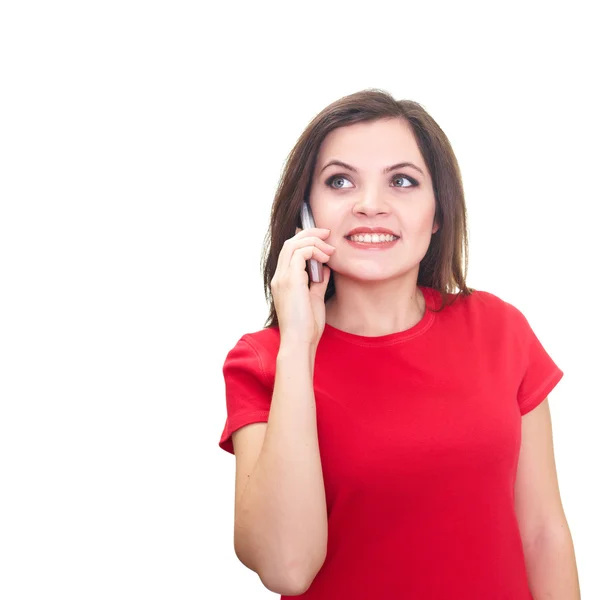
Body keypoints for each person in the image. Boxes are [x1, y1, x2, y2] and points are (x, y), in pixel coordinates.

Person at [217, 89, 580, 598]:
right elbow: (287, 567)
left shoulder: (499, 330)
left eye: (402, 181)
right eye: (340, 182)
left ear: (436, 214)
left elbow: (544, 534)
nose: (370, 206)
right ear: (306, 212)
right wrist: (299, 341)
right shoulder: (265, 361)